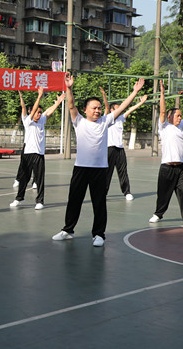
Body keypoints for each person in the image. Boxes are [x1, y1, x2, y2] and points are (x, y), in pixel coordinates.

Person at [52, 73, 144, 246]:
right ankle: (68, 230)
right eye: (94, 108)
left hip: (100, 169)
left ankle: (99, 234)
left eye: (99, 108)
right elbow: (71, 105)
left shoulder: (105, 121)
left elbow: (122, 107)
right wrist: (69, 88)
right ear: (85, 110)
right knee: (74, 200)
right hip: (81, 168)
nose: (97, 110)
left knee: (99, 203)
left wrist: (134, 92)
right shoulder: (78, 121)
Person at [149, 80, 183, 227]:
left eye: (180, 116)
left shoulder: (180, 127)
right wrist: (162, 93)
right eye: (177, 115)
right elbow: (162, 111)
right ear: (169, 117)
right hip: (166, 168)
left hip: (181, 168)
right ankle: (158, 214)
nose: (180, 117)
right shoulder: (164, 127)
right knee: (163, 194)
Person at [9, 86, 65, 210]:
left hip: (39, 154)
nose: (39, 114)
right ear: (32, 113)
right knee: (24, 178)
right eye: (37, 112)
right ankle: (19, 198)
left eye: (40, 112)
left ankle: (40, 201)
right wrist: (39, 96)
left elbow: (49, 112)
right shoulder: (28, 121)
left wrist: (58, 103)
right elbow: (31, 109)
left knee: (39, 179)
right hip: (28, 154)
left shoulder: (41, 121)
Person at [103, 87, 148, 200]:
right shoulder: (106, 118)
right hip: (109, 149)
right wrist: (104, 95)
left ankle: (127, 192)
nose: (120, 110)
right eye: (117, 108)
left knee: (123, 171)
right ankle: (103, 192)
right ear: (112, 110)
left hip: (120, 149)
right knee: (107, 172)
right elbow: (106, 107)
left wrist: (141, 102)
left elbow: (130, 109)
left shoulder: (121, 118)